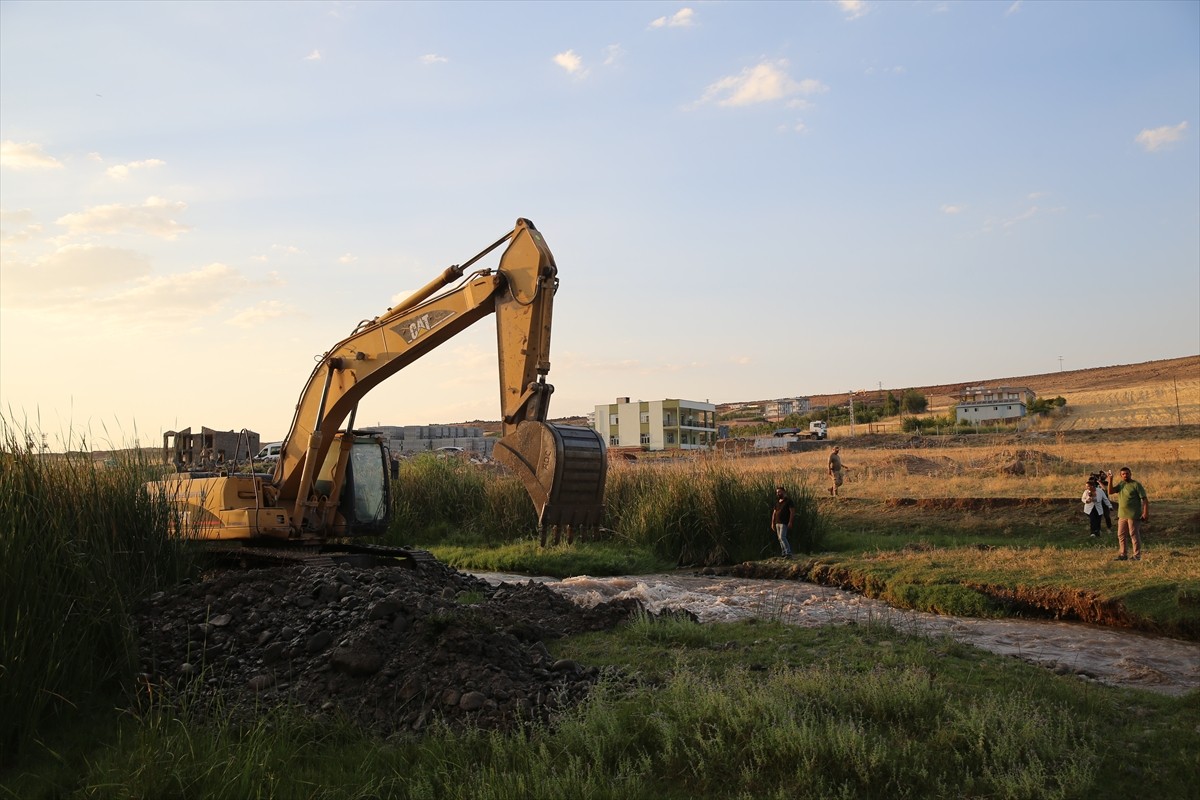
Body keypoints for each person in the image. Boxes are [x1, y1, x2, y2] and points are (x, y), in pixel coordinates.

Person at [1104, 466, 1149, 561]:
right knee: (1121, 534)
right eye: (1123, 474)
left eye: (1127, 473)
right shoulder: (1121, 484)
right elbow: (1110, 492)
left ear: (1130, 474)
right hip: (1122, 515)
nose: (1125, 475)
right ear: (1121, 476)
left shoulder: (1136, 485)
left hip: (1133, 514)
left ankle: (1137, 556)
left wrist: (1145, 512)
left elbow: (1144, 499)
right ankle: (1123, 554)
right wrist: (1110, 479)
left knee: (1133, 534)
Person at [770, 485, 793, 558]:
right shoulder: (777, 502)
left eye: (779, 492)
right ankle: (783, 553)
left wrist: (790, 522)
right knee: (779, 538)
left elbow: (792, 512)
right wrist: (772, 523)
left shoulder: (788, 501)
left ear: (783, 492)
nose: (778, 493)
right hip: (777, 522)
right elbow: (774, 513)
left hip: (784, 522)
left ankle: (788, 553)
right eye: (777, 492)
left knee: (782, 537)